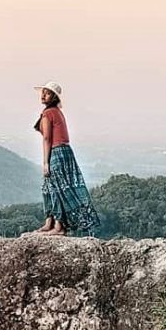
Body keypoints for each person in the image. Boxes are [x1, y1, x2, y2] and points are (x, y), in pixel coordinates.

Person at [31, 81, 101, 236]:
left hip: (56, 152)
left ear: (54, 97)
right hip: (65, 152)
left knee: (56, 187)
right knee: (51, 186)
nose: (43, 95)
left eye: (47, 93)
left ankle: (59, 226)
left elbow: (47, 139)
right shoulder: (56, 112)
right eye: (43, 92)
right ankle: (50, 222)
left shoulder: (48, 113)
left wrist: (45, 162)